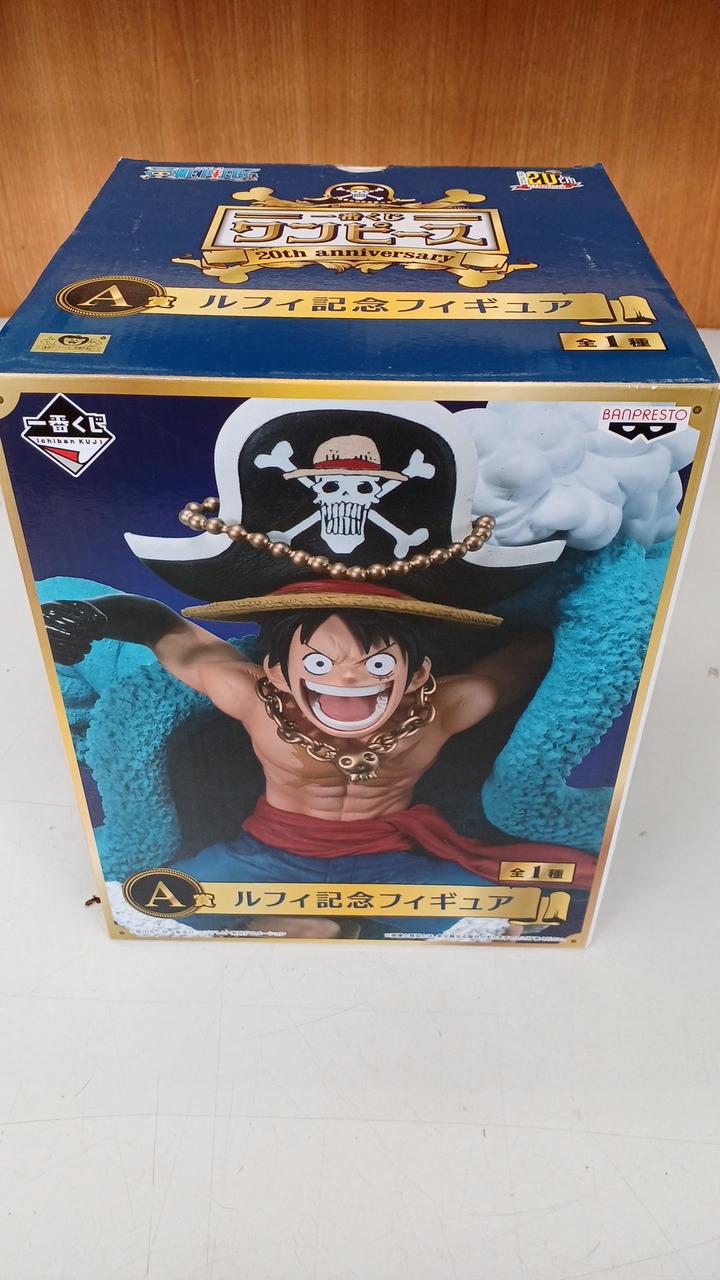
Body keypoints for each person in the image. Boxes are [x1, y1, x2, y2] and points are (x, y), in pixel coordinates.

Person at [42, 594, 594, 937]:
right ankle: (312, 922)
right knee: (138, 915)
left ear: (419, 676)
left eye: (376, 663)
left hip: (393, 864)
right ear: (276, 674)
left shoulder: (446, 705)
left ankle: (320, 923)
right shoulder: (253, 697)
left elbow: (530, 654)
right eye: (319, 663)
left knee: (510, 923)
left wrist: (573, 611)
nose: (348, 677)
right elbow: (169, 631)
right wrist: (97, 616)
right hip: (263, 859)